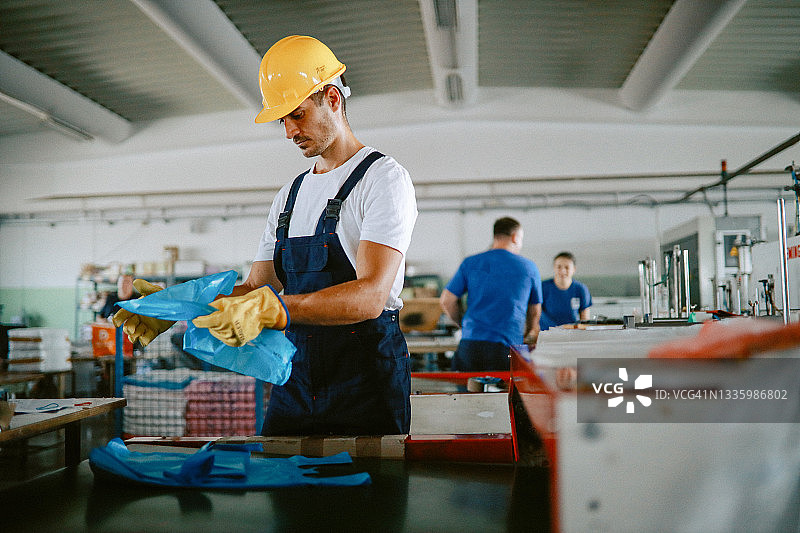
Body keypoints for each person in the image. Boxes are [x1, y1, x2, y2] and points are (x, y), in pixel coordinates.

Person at [114, 35, 417, 437]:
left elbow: (370, 296)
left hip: (365, 382)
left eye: (297, 115)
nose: (289, 132)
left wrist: (275, 309)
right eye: (282, 121)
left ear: (332, 98)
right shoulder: (290, 196)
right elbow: (256, 288)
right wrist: (173, 305)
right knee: (280, 475)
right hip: (294, 378)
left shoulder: (382, 179)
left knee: (367, 479)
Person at [439, 217, 542, 371]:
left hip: (471, 345)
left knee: (467, 387)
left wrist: (463, 323)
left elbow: (446, 301)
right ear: (515, 237)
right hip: (507, 347)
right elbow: (535, 311)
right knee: (505, 387)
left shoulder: (470, 263)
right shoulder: (528, 267)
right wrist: (527, 332)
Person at [539, 252, 592, 330]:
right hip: (546, 333)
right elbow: (534, 314)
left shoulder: (581, 289)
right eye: (559, 267)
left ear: (574, 269)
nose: (563, 271)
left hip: (572, 333)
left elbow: (585, 321)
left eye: (567, 267)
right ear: (554, 267)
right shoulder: (542, 288)